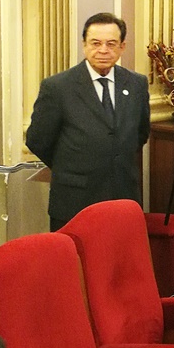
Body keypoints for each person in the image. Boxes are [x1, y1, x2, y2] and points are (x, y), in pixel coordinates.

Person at [26, 13, 150, 231]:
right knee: (75, 263)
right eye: (95, 43)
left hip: (122, 199)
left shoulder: (136, 84)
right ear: (84, 45)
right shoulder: (58, 87)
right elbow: (38, 140)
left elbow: (140, 134)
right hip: (75, 200)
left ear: (122, 47)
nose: (103, 50)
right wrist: (73, 164)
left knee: (117, 262)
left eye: (111, 44)